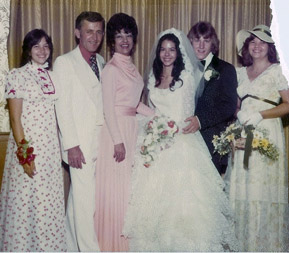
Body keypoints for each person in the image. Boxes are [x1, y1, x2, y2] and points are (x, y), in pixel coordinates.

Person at [122, 28, 239, 252]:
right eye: (163, 49)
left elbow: (189, 110)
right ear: (158, 52)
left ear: (179, 52)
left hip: (183, 143)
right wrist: (153, 128)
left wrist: (174, 127)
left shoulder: (187, 76)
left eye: (172, 49)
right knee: (155, 207)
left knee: (185, 207)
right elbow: (154, 111)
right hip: (158, 144)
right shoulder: (153, 77)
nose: (167, 54)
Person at [224, 24, 289, 252]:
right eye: (253, 41)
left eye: (262, 42)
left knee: (263, 190)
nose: (257, 45)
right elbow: (235, 106)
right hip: (244, 133)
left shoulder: (278, 71)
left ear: (270, 47)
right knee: (243, 188)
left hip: (268, 132)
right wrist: (238, 114)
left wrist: (261, 114)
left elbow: (288, 105)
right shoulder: (240, 72)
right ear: (247, 47)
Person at [0, 29, 66, 251]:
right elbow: (16, 121)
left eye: (46, 45)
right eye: (36, 46)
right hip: (28, 150)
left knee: (46, 204)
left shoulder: (53, 76)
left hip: (50, 150)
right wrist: (25, 156)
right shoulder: (17, 75)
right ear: (28, 49)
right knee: (26, 203)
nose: (42, 50)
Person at [94, 13, 154, 252]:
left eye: (128, 35)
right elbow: (108, 108)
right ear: (111, 41)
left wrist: (160, 118)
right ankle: (111, 245)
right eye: (119, 36)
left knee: (129, 191)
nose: (124, 40)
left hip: (132, 130)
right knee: (116, 193)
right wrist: (118, 142)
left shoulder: (131, 67)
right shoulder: (110, 69)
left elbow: (134, 104)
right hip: (115, 135)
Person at [53, 11, 105, 251]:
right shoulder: (64, 62)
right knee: (86, 205)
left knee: (79, 201)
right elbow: (62, 107)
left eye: (98, 31)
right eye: (88, 31)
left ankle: (70, 246)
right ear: (77, 33)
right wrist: (71, 145)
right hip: (79, 146)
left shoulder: (103, 62)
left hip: (100, 142)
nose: (94, 37)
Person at [184, 21, 238, 175]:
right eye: (197, 40)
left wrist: (201, 121)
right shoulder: (181, 70)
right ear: (190, 42)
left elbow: (229, 106)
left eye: (206, 40)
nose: (201, 46)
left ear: (212, 43)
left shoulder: (226, 69)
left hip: (211, 143)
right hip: (183, 142)